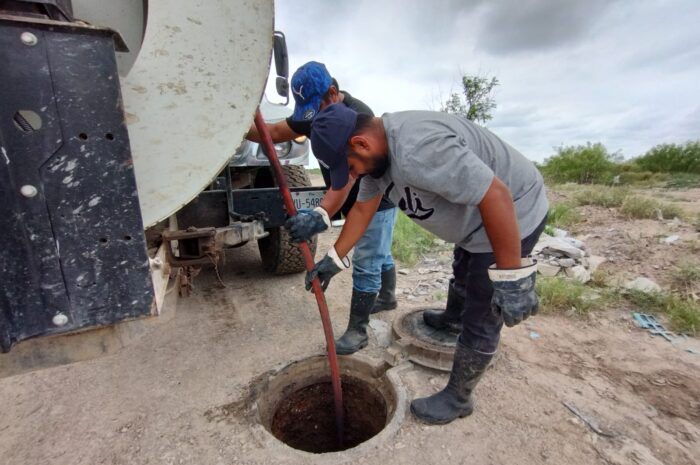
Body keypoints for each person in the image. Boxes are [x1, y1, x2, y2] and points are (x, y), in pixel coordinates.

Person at [304, 103, 548, 425]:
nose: (353, 175)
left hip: (512, 212)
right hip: (474, 225)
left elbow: (496, 196)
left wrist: (511, 276)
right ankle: (452, 318)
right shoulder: (379, 159)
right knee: (463, 267)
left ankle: (458, 398)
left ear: (361, 144)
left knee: (484, 304)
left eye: (351, 167)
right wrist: (333, 261)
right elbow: (362, 211)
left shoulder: (419, 149)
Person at [246, 62, 399, 354]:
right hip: (346, 189)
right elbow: (275, 131)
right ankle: (388, 296)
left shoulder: (359, 116)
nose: (312, 120)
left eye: (317, 109)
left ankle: (358, 331)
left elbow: (353, 178)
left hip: (376, 199)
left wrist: (322, 215)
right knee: (380, 250)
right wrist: (238, 129)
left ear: (332, 91)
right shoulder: (311, 113)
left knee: (369, 257)